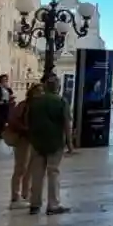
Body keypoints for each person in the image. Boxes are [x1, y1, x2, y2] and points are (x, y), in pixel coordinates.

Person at [26, 77, 71, 215]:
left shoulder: (35, 102)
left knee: (37, 173)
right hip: (55, 142)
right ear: (57, 87)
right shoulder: (61, 101)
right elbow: (66, 123)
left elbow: (28, 120)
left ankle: (35, 204)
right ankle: (53, 204)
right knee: (53, 172)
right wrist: (70, 143)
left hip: (37, 142)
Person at [6, 83, 42, 207]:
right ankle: (15, 195)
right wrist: (25, 129)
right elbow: (13, 120)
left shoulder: (39, 107)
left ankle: (25, 194)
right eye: (38, 91)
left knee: (30, 168)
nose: (40, 94)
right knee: (20, 167)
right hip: (23, 139)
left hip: (34, 139)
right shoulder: (24, 105)